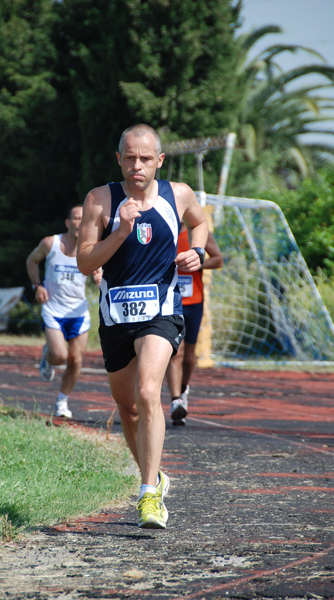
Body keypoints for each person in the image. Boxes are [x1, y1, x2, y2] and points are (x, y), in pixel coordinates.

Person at [76, 124, 209, 529]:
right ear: (119, 159)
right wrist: (120, 231)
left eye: (146, 159)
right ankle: (154, 475)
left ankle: (148, 494)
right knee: (129, 410)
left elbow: (200, 223)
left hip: (162, 311)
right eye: (130, 158)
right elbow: (85, 263)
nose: (137, 166)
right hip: (116, 316)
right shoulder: (100, 200)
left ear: (159, 161)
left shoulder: (179, 194)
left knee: (150, 391)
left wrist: (197, 251)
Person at [26, 205, 102, 419]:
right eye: (76, 218)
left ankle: (62, 400)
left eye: (84, 218)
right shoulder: (51, 243)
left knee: (76, 360)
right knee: (60, 356)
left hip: (78, 311)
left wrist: (99, 277)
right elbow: (31, 261)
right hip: (54, 310)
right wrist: (37, 286)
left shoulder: (90, 247)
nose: (80, 222)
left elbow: (98, 270)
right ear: (68, 223)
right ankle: (47, 356)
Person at [166, 228, 223, 425]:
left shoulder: (197, 232)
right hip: (169, 301)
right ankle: (175, 401)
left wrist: (199, 264)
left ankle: (182, 389)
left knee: (189, 357)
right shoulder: (165, 226)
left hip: (193, 301)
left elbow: (218, 259)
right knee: (177, 352)